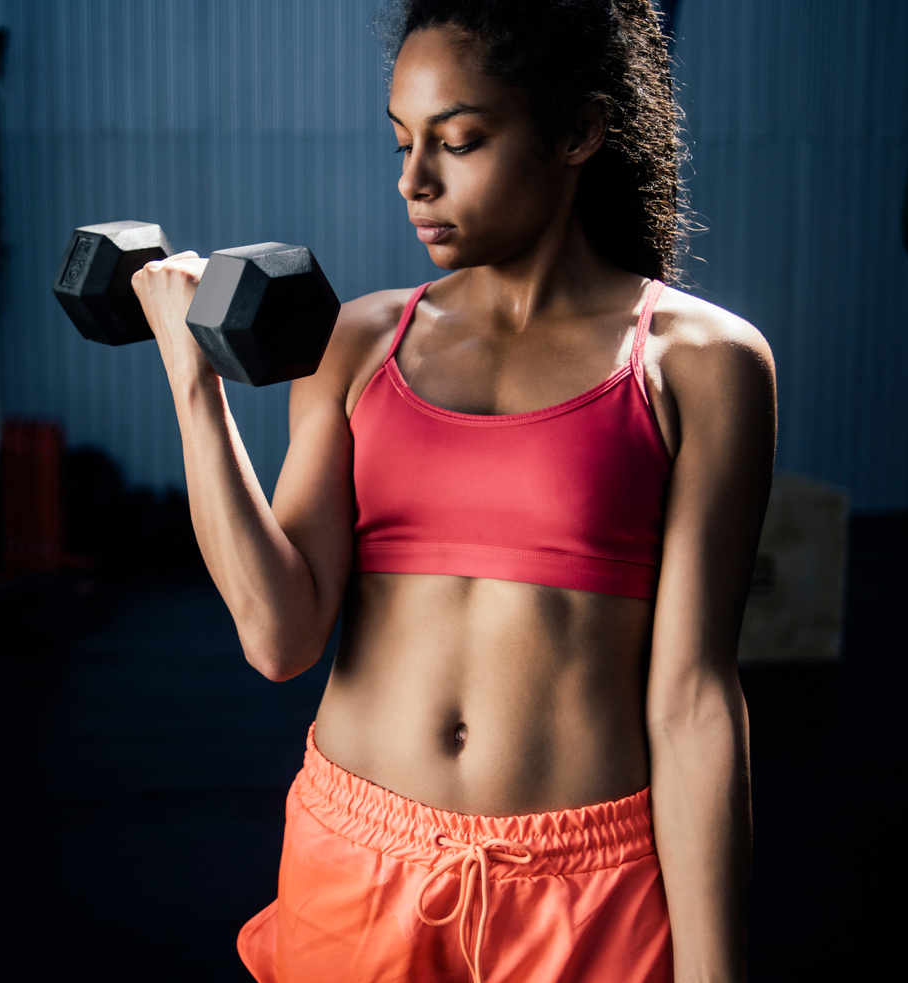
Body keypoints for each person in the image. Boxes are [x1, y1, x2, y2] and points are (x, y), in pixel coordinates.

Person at [131, 0, 774, 980]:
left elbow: (691, 702)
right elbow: (279, 635)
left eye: (459, 140)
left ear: (577, 132)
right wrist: (193, 387)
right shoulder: (355, 343)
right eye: (401, 142)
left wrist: (713, 969)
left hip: (585, 890)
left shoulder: (700, 364)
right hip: (357, 860)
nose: (412, 182)